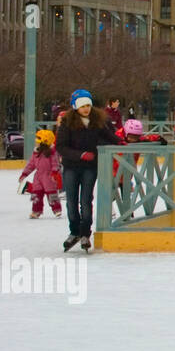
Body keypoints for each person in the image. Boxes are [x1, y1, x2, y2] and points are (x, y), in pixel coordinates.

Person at [54, 89, 123, 253]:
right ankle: (74, 231)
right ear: (75, 107)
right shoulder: (67, 122)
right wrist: (81, 155)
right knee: (71, 202)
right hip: (71, 166)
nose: (86, 109)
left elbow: (109, 136)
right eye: (82, 105)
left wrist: (121, 142)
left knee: (85, 201)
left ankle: (85, 233)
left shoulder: (98, 121)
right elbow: (61, 146)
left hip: (90, 167)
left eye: (88, 105)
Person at [18, 129, 63, 219]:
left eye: (38, 141)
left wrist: (55, 173)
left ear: (44, 142)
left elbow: (55, 163)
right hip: (38, 177)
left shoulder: (52, 153)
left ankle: (57, 209)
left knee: (51, 194)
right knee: (36, 194)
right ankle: (36, 211)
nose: (36, 143)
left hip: (49, 177)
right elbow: (31, 164)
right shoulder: (36, 153)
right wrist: (24, 174)